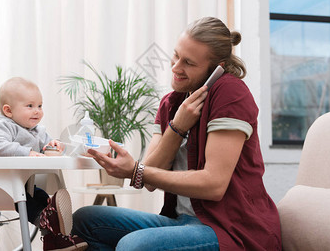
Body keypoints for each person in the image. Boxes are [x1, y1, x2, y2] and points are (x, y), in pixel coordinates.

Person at [72, 17, 282, 250]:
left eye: (188, 63)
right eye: (176, 55)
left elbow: (214, 184)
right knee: (85, 221)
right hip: (182, 222)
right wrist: (177, 127)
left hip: (230, 230)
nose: (175, 67)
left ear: (217, 67)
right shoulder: (171, 104)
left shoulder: (230, 94)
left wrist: (135, 170)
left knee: (135, 246)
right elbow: (148, 178)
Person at [0, 77, 87, 251]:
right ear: (8, 111)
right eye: (30, 106)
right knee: (29, 200)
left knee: (41, 197)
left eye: (40, 106)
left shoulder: (37, 130)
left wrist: (53, 145)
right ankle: (49, 222)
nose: (37, 111)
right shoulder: (4, 125)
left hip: (22, 185)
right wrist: (27, 152)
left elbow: (45, 147)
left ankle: (53, 235)